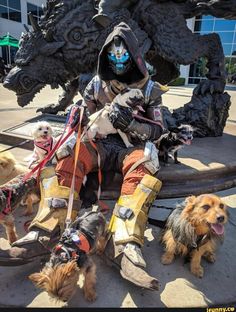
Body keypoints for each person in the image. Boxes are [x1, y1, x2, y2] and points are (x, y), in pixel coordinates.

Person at [0, 22, 168, 288]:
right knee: (67, 154)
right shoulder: (95, 84)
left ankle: (125, 243)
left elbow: (159, 130)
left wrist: (132, 123)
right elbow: (85, 113)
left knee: (145, 162)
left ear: (134, 54)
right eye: (113, 55)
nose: (118, 60)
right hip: (97, 144)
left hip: (130, 147)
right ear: (105, 57)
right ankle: (44, 230)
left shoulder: (150, 89)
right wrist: (77, 114)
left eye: (123, 55)